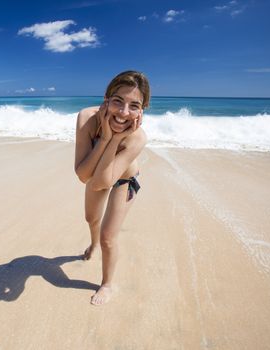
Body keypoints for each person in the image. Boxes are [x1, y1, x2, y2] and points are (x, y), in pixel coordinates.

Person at [74, 70, 150, 305]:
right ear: (106, 99)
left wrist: (114, 139)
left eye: (134, 105)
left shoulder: (137, 138)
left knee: (108, 236)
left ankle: (107, 284)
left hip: (124, 182)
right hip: (96, 175)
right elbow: (82, 174)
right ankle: (92, 243)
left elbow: (102, 181)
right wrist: (105, 138)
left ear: (142, 110)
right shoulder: (87, 118)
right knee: (90, 218)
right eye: (118, 101)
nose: (124, 113)